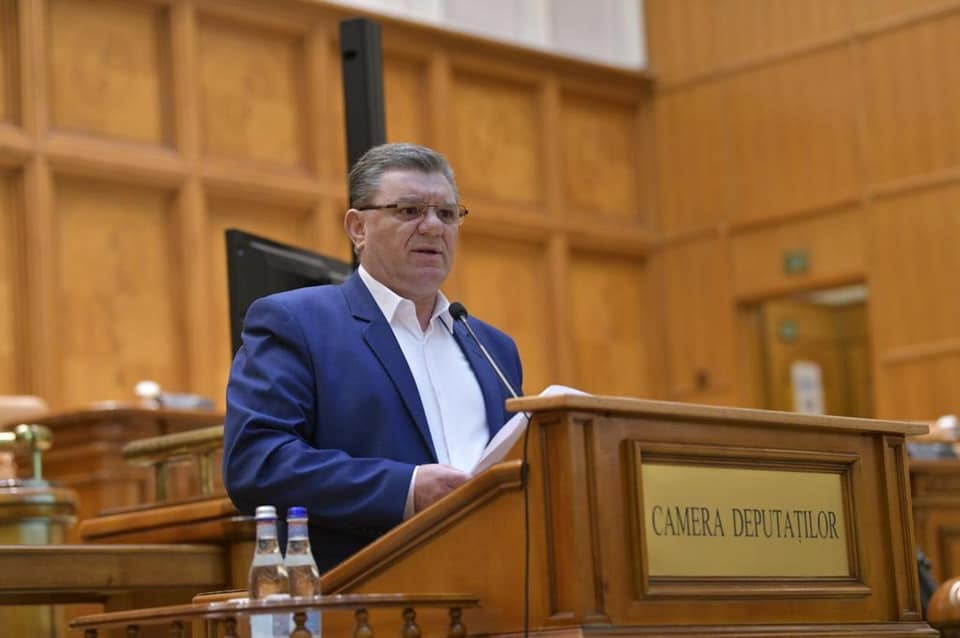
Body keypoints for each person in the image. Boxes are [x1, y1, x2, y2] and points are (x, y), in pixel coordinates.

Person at [223, 142, 523, 572]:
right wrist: (405, 489)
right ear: (357, 228)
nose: (432, 227)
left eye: (446, 214)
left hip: (501, 581)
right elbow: (256, 463)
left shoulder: (493, 348)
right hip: (370, 589)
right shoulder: (297, 322)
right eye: (409, 210)